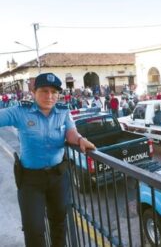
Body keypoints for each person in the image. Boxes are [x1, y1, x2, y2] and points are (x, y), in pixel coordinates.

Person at [0, 73, 96, 247]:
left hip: (58, 177)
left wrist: (80, 140)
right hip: (30, 180)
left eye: (54, 91)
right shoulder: (20, 111)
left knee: (58, 223)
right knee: (33, 228)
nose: (50, 96)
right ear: (34, 92)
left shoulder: (63, 111)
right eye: (44, 91)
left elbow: (70, 132)